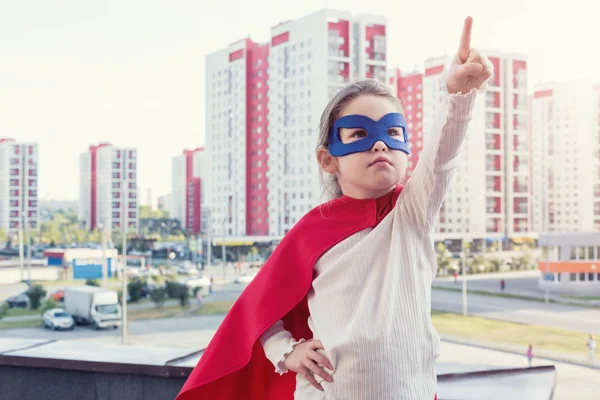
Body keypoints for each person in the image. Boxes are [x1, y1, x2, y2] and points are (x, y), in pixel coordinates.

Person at [176, 16, 492, 400]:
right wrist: (285, 351)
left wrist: (459, 96)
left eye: (393, 132)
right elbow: (258, 308)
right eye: (360, 133)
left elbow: (443, 158)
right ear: (329, 160)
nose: (380, 144)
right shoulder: (313, 229)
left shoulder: (413, 211)